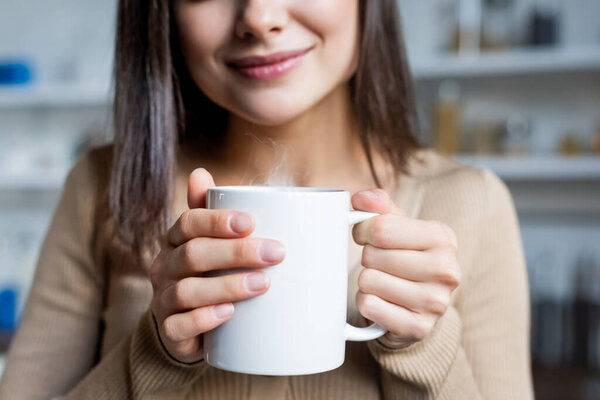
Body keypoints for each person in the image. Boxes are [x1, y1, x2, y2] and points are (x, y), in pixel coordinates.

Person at [0, 0, 534, 399]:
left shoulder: (474, 204)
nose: (258, 16)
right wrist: (155, 354)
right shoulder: (103, 186)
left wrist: (422, 347)